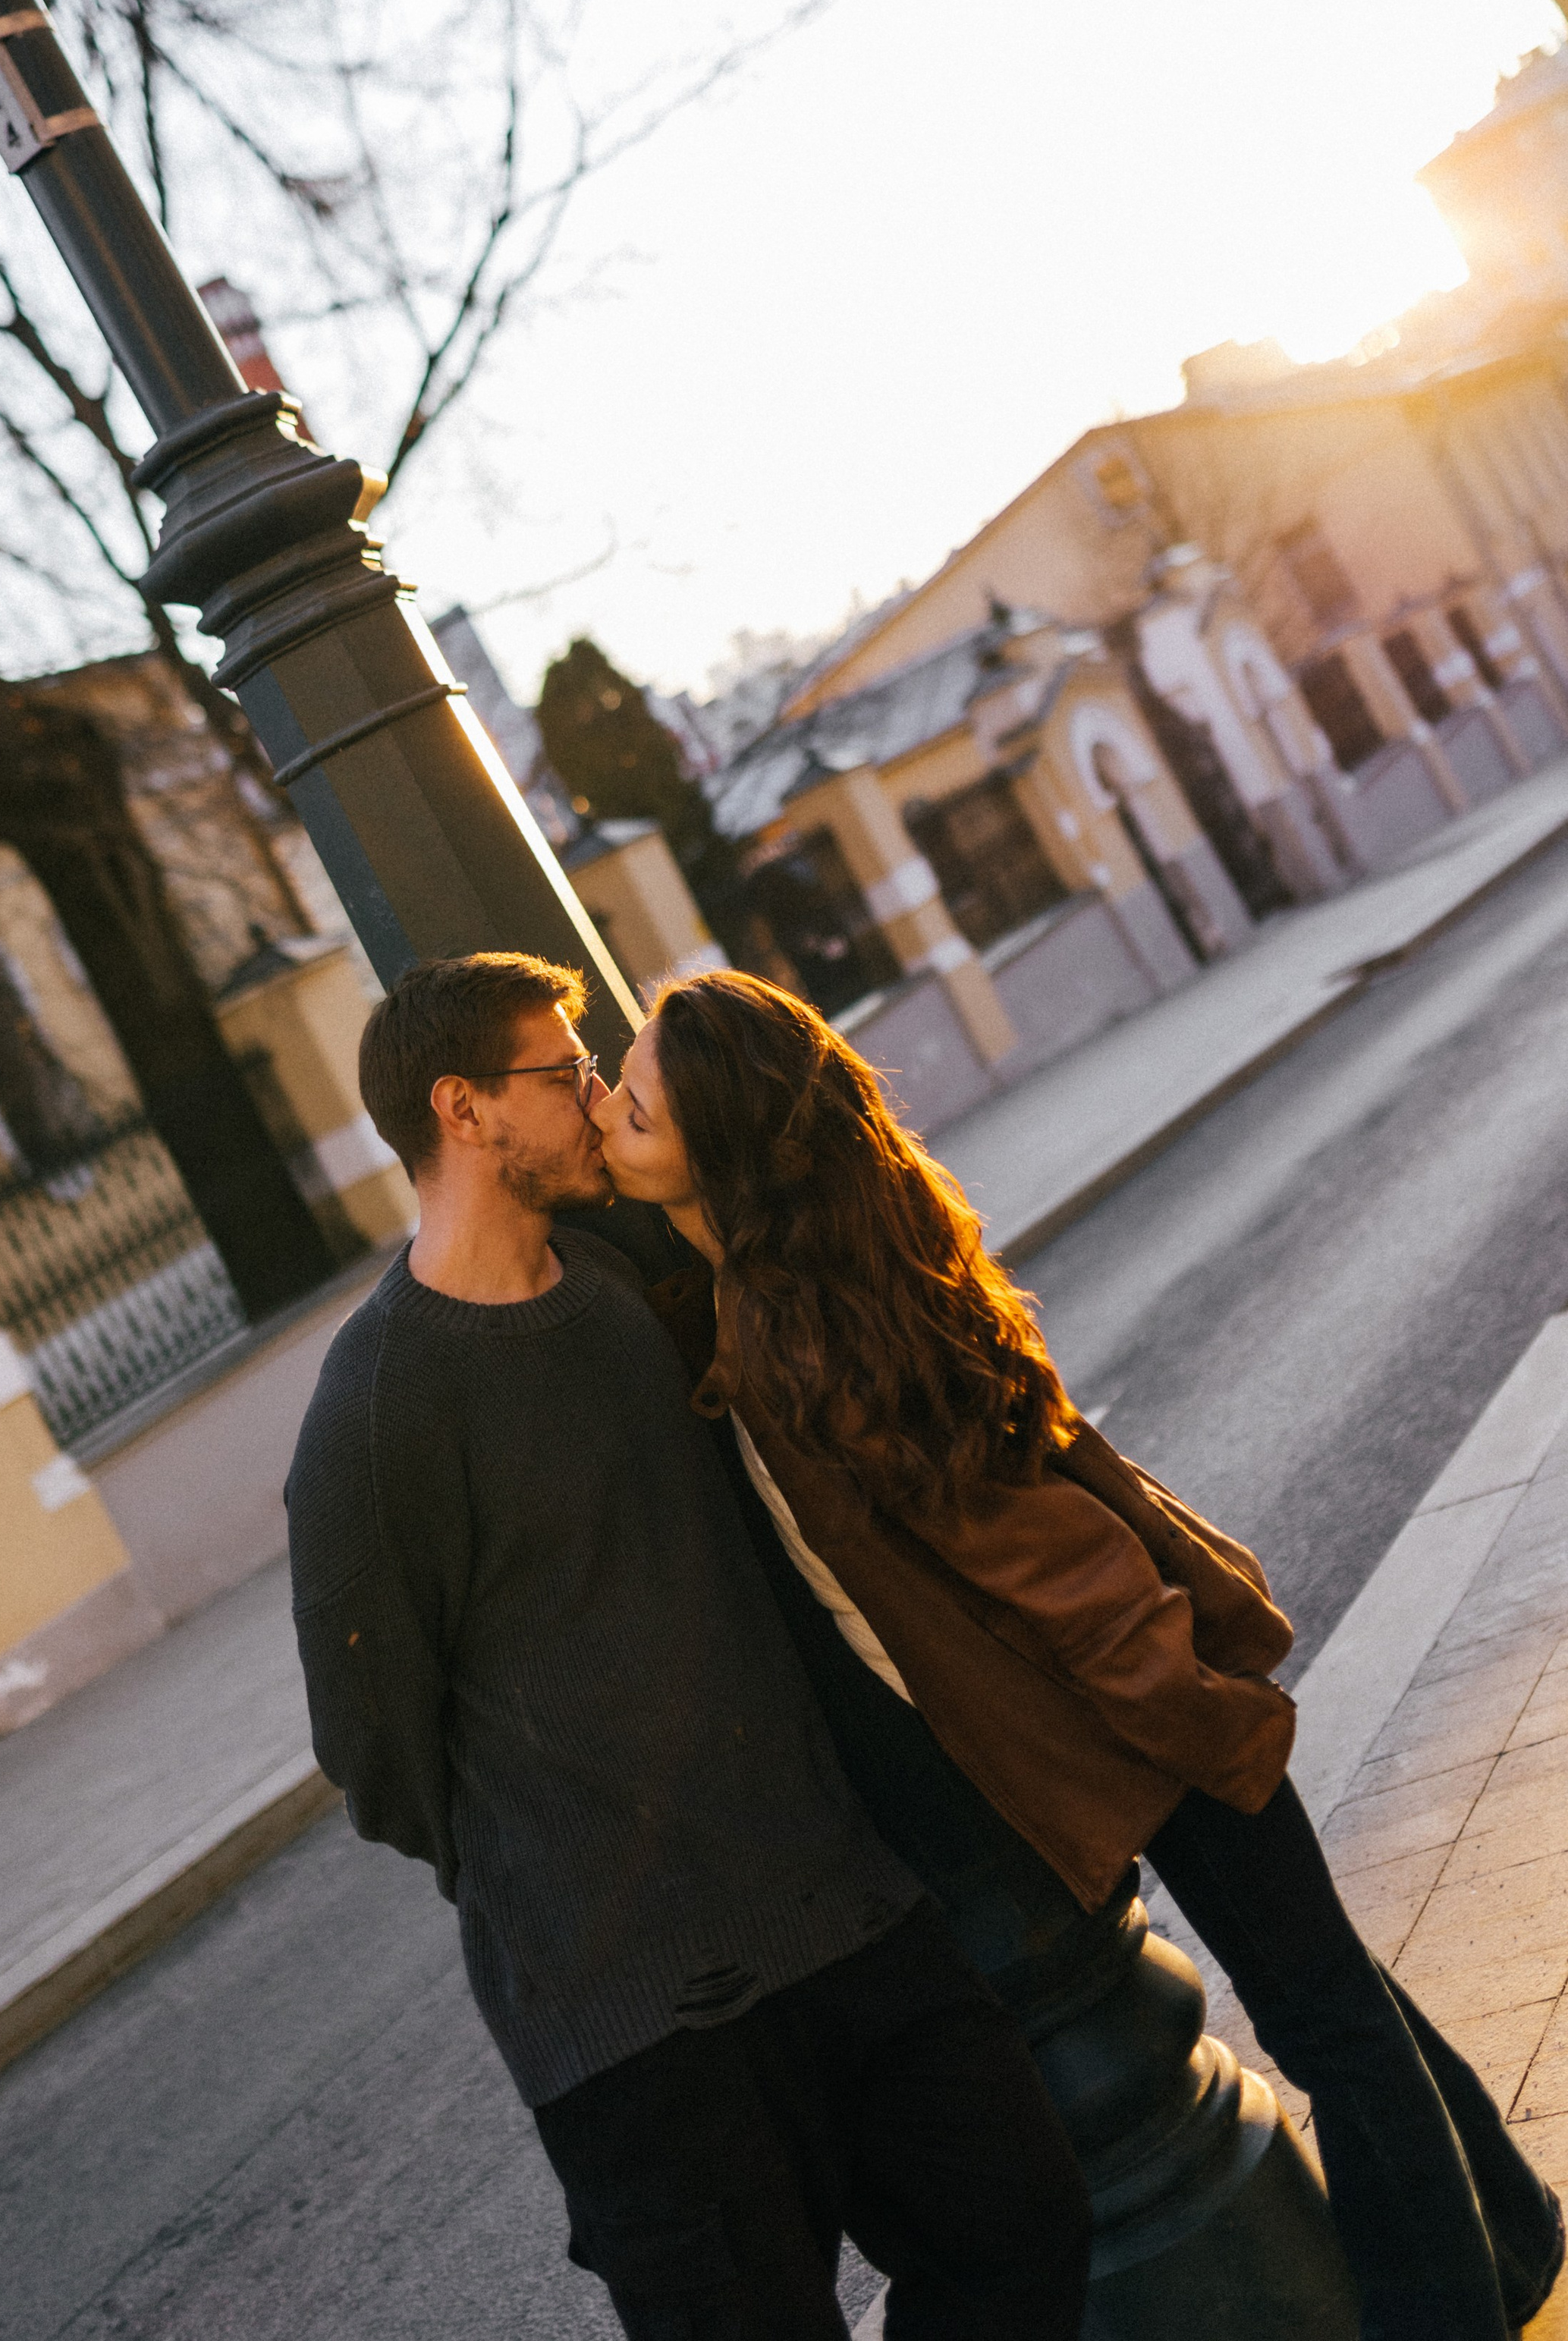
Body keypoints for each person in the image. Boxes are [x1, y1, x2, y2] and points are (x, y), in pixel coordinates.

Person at [592, 967, 1566, 2341]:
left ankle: (1442, 2312)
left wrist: (1184, 1701)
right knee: (1336, 1993)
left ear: (724, 1146)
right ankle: (1512, 2234)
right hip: (1101, 1718)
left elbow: (1037, 1559)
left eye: (631, 1106)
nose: (603, 1114)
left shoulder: (803, 1341)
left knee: (1327, 2017)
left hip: (1136, 1705)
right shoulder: (792, 1292)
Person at [284, 951, 1092, 2341]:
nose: (597, 1098)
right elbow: (375, 1753)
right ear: (464, 1111)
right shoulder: (375, 1408)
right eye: (565, 1074)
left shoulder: (614, 1292)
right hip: (641, 2026)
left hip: (843, 1912)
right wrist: (581, 1866)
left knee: (1028, 2232)